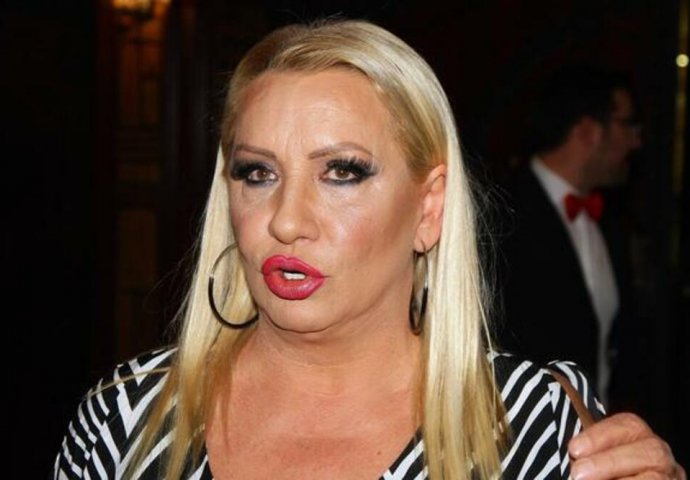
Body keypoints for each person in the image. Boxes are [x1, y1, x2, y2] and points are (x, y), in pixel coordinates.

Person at [53, 21, 683, 479]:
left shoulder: (533, 427)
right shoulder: (125, 421)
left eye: (342, 172)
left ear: (429, 208)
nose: (286, 221)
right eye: (258, 173)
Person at [496, 65, 646, 409]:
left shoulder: (611, 221)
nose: (637, 140)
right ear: (589, 131)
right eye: (628, 124)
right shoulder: (501, 215)